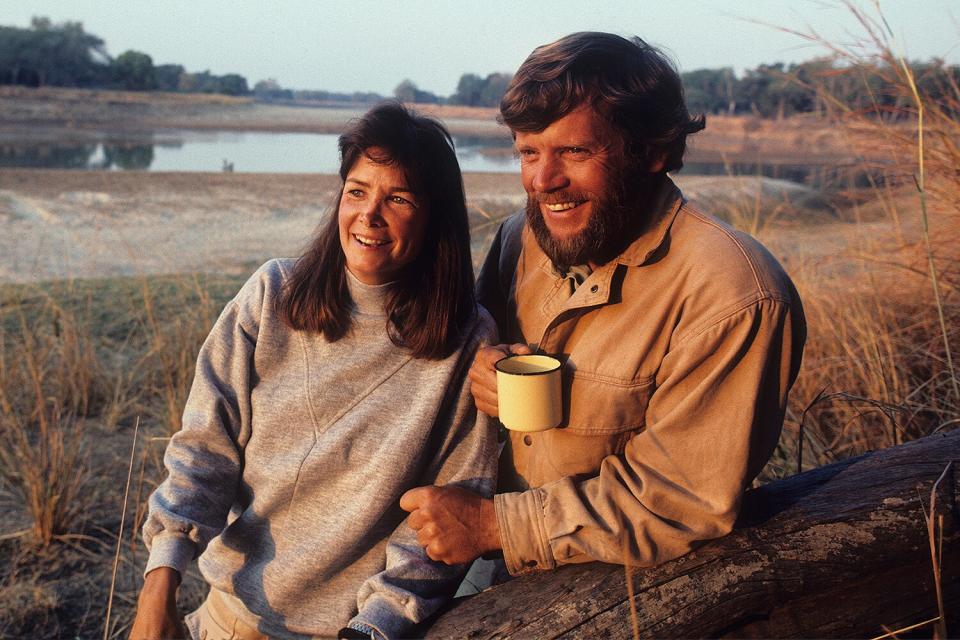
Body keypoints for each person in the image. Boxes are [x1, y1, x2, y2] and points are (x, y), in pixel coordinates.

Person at [401, 32, 806, 578]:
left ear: (653, 152)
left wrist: (493, 526)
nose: (544, 182)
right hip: (487, 560)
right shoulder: (521, 237)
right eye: (528, 152)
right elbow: (472, 354)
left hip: (617, 589)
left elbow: (677, 500)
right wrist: (478, 366)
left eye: (575, 151)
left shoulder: (734, 295)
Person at [130, 102, 498, 640]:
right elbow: (204, 453)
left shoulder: (466, 342)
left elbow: (442, 526)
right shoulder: (271, 295)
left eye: (398, 198)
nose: (369, 215)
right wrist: (158, 585)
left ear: (435, 216)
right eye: (357, 190)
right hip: (227, 619)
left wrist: (374, 627)